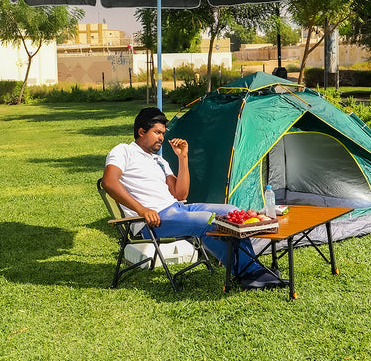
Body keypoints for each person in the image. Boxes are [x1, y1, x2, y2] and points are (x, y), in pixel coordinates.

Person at [102, 107, 285, 290]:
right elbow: (109, 182)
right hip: (152, 220)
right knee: (209, 221)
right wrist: (142, 210)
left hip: (178, 208)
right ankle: (251, 273)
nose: (161, 138)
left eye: (163, 133)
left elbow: (181, 194)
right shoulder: (123, 151)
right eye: (157, 132)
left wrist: (183, 158)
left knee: (231, 211)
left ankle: (250, 268)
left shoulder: (159, 161)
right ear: (141, 132)